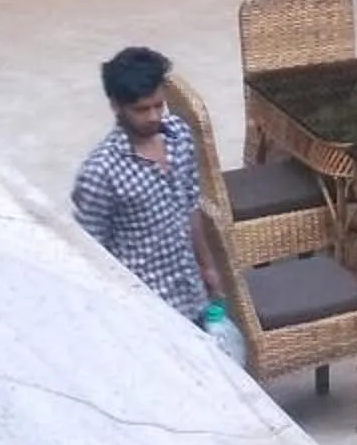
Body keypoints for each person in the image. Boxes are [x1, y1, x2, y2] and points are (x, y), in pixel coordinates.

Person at [69, 46, 247, 367]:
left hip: (191, 293)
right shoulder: (100, 173)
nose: (153, 117)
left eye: (158, 106)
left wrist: (207, 267)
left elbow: (190, 205)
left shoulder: (178, 135)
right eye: (141, 110)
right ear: (116, 106)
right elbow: (90, 256)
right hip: (147, 313)